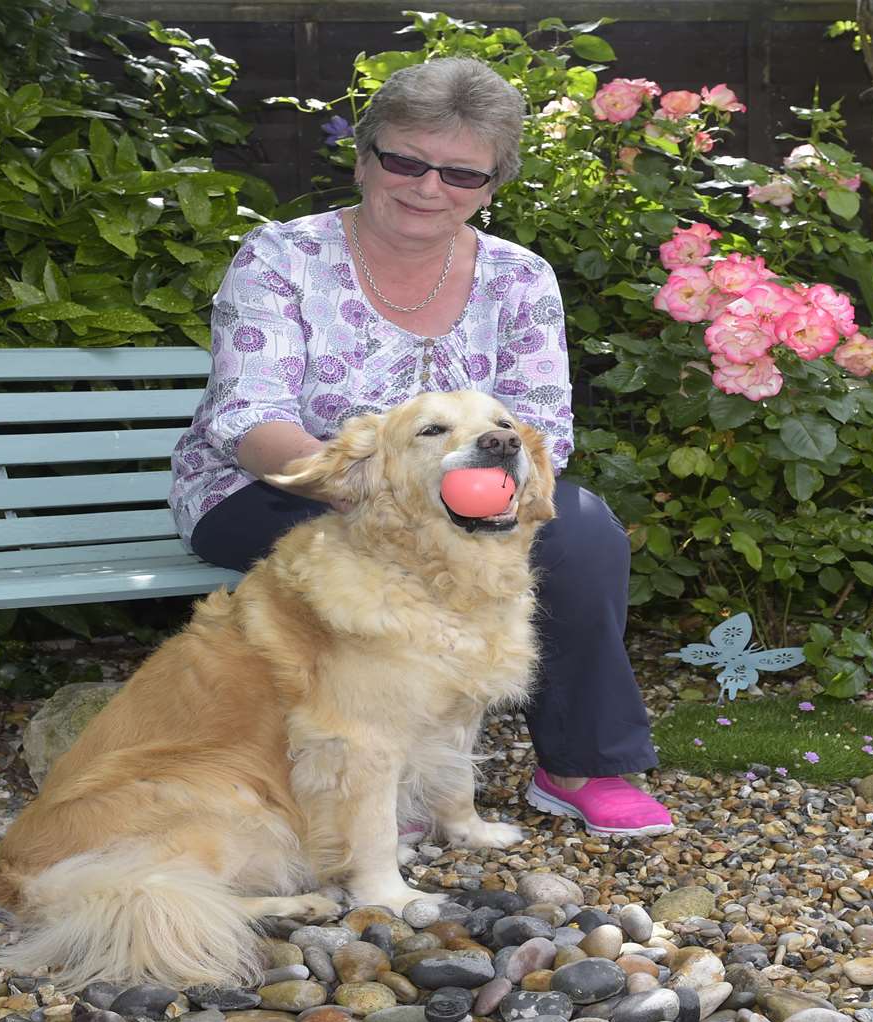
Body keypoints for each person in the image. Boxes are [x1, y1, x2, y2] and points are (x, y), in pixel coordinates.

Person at [167, 56, 672, 838]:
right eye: (404, 161)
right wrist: (363, 488)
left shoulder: (521, 279)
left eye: (460, 175)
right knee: (376, 553)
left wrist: (475, 498)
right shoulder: (281, 259)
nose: (427, 188)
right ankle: (381, 778)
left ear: (492, 186)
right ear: (365, 158)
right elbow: (249, 417)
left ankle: (580, 763)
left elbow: (541, 427)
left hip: (469, 493)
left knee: (582, 532)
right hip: (281, 483)